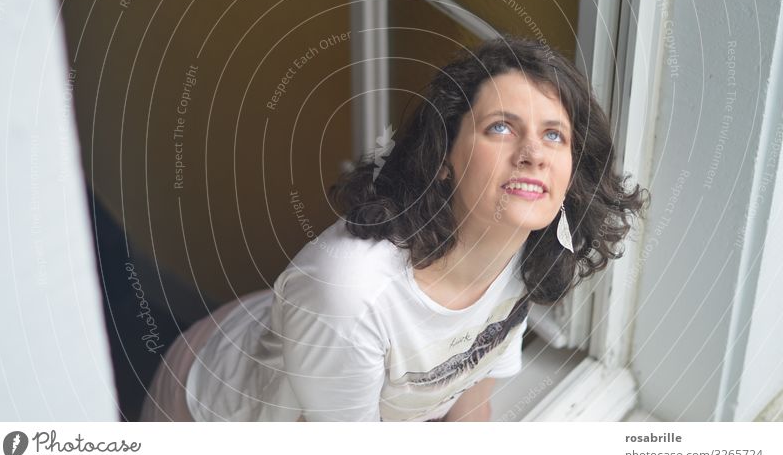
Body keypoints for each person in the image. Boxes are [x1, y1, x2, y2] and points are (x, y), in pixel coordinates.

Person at [139, 36, 648, 422]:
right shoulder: (350, 292)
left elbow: (470, 402)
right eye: (501, 127)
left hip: (302, 340)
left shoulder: (526, 246)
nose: (533, 153)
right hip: (211, 402)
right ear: (444, 159)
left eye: (553, 135)